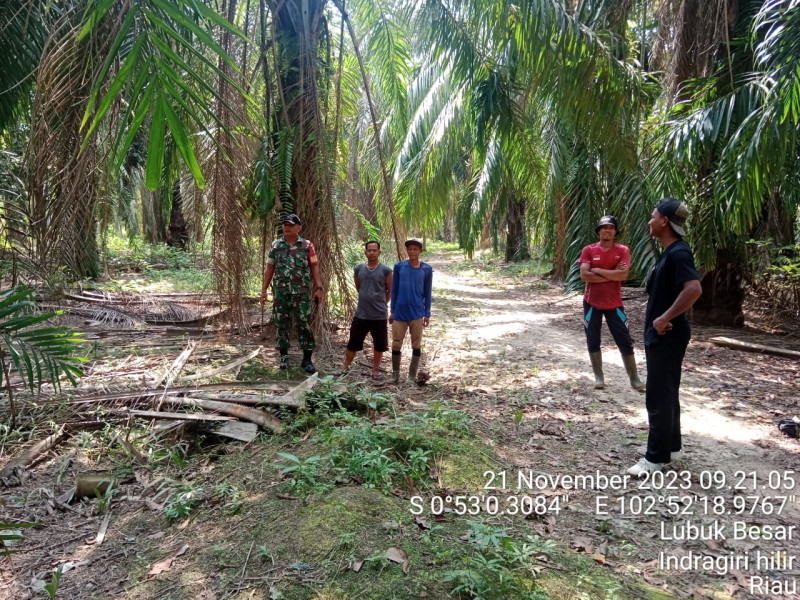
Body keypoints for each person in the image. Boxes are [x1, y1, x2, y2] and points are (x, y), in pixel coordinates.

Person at [628, 198, 702, 477]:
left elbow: (693, 289)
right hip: (664, 335)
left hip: (668, 335)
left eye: (653, 215)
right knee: (667, 391)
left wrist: (665, 318)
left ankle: (655, 458)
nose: (649, 220)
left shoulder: (678, 253)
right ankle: (671, 448)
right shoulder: (670, 252)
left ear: (664, 222)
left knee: (658, 395)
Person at [579, 216, 645, 391]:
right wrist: (611, 273)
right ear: (599, 231)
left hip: (614, 304)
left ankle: (634, 378)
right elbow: (585, 275)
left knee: (624, 340)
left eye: (610, 227)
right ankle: (599, 377)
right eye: (603, 227)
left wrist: (598, 270)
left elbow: (623, 276)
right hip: (592, 303)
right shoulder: (589, 250)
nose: (607, 230)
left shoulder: (623, 250)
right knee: (593, 339)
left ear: (615, 231)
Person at [259, 214, 324, 373]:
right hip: (281, 293)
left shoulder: (307, 245)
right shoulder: (276, 245)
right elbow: (270, 268)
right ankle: (283, 357)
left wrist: (319, 288)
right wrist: (264, 290)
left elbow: (314, 266)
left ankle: (307, 359)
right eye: (284, 224)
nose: (286, 227)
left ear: (298, 227)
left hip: (301, 293)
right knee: (281, 324)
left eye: (290, 224)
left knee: (304, 324)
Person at [337, 241, 393, 380]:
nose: (372, 253)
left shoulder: (386, 271)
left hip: (379, 315)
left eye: (375, 250)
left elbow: (390, 291)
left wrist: (380, 303)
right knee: (353, 342)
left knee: (379, 345)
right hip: (361, 313)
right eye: (369, 250)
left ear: (379, 252)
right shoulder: (358, 269)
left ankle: (375, 370)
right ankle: (345, 367)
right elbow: (358, 287)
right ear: (365, 252)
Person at [389, 238, 433, 384]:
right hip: (400, 312)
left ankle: (411, 375)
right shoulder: (399, 267)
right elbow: (394, 290)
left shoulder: (426, 269)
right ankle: (395, 375)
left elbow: (428, 292)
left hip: (417, 313)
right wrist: (392, 310)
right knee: (396, 343)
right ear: (407, 251)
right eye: (410, 249)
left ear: (420, 251)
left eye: (415, 249)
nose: (412, 251)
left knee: (416, 344)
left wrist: (427, 313)